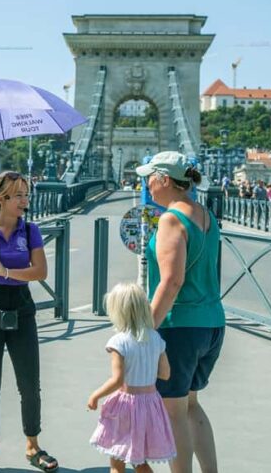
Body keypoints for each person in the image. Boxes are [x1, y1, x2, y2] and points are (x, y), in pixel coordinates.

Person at [136, 152, 225, 473]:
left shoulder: (171, 219)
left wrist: (144, 329)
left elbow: (171, 282)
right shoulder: (205, 214)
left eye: (150, 177)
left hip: (179, 327)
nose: (146, 183)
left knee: (172, 412)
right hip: (211, 323)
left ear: (163, 180)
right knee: (190, 405)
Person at [0, 171, 57, 473]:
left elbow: (40, 271)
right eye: (18, 195)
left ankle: (33, 446)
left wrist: (6, 272)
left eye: (26, 194)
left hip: (21, 307)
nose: (25, 200)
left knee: (30, 384)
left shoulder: (30, 230)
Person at [88, 282, 177, 472]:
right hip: (150, 404)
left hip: (126, 406)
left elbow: (117, 380)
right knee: (140, 461)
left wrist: (95, 395)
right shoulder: (156, 339)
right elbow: (165, 374)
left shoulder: (119, 342)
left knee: (117, 458)